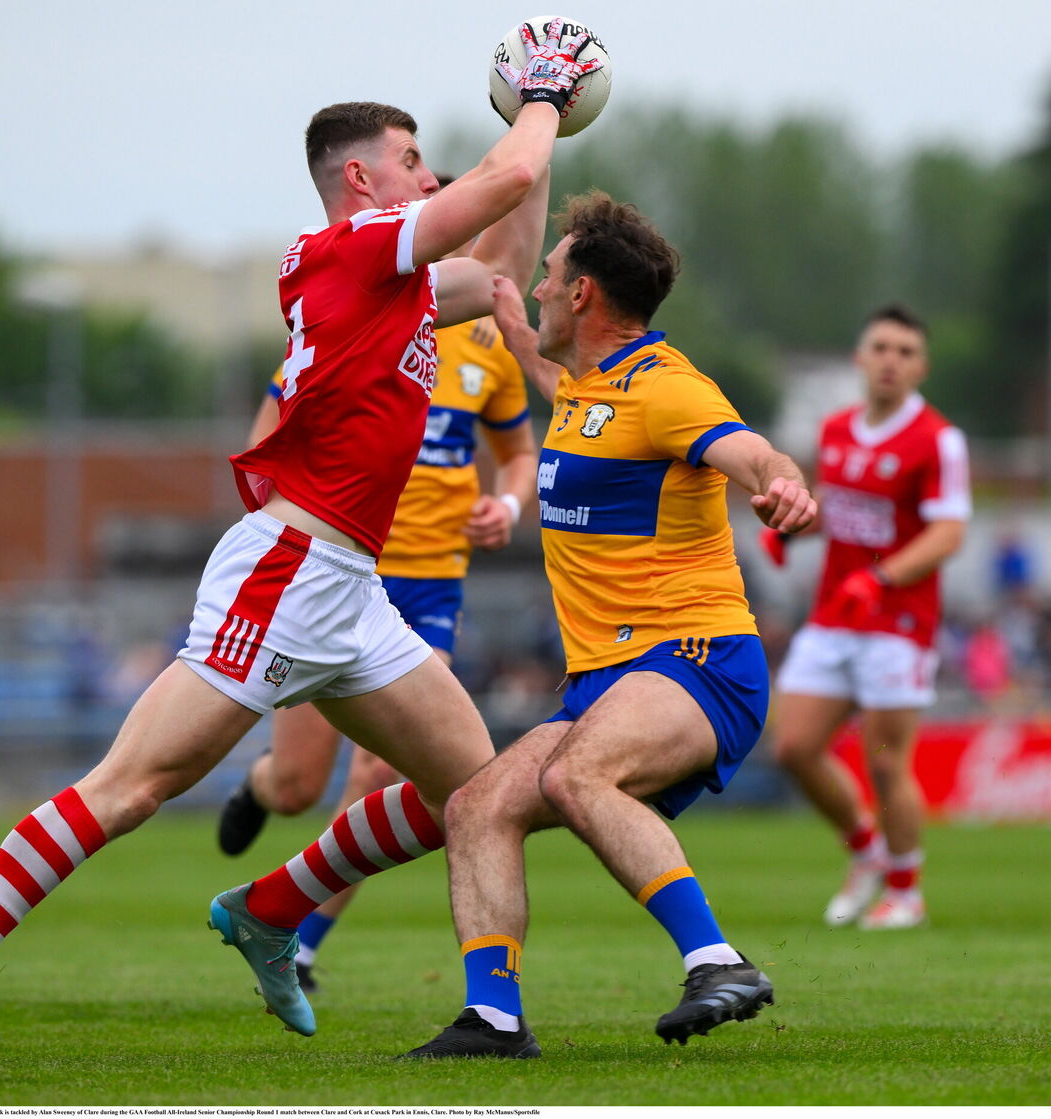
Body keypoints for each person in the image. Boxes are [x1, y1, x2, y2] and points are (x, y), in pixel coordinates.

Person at [0, 22, 602, 1063]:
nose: (426, 171)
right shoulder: (353, 246)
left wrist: (534, 147)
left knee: (477, 790)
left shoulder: (387, 278)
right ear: (360, 178)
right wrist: (543, 94)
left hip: (350, 585)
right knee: (131, 789)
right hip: (286, 567)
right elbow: (493, 195)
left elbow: (499, 262)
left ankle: (274, 907)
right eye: (411, 159)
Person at [402, 191, 817, 1059]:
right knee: (476, 806)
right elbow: (553, 376)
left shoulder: (666, 387)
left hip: (697, 658)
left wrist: (781, 483)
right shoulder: (588, 388)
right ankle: (494, 1019)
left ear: (585, 293)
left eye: (551, 277)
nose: (542, 288)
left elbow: (746, 447)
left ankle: (718, 960)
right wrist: (512, 311)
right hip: (610, 678)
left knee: (577, 777)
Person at [217, 297, 537, 991]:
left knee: (380, 771)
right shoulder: (356, 319)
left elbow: (519, 456)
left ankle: (296, 942)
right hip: (335, 574)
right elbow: (265, 440)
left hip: (427, 591)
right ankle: (259, 782)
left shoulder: (489, 345)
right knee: (298, 784)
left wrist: (507, 505)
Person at [767, 304, 970, 931]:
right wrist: (798, 526)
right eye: (881, 347)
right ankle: (865, 851)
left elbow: (947, 533)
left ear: (922, 366)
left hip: (897, 624)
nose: (891, 360)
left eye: (906, 352)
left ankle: (905, 891)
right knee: (794, 747)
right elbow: (842, 501)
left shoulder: (938, 438)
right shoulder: (836, 429)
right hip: (834, 614)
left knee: (885, 760)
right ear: (860, 358)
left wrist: (879, 577)